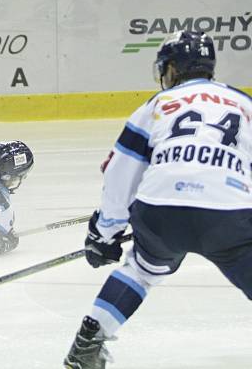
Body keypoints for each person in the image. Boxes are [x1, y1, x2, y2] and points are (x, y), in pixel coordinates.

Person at [63, 31, 252, 369]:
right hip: (228, 211)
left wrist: (104, 233)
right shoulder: (244, 103)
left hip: (160, 210)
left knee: (141, 270)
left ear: (172, 70)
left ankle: (86, 347)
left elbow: (121, 173)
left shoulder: (156, 105)